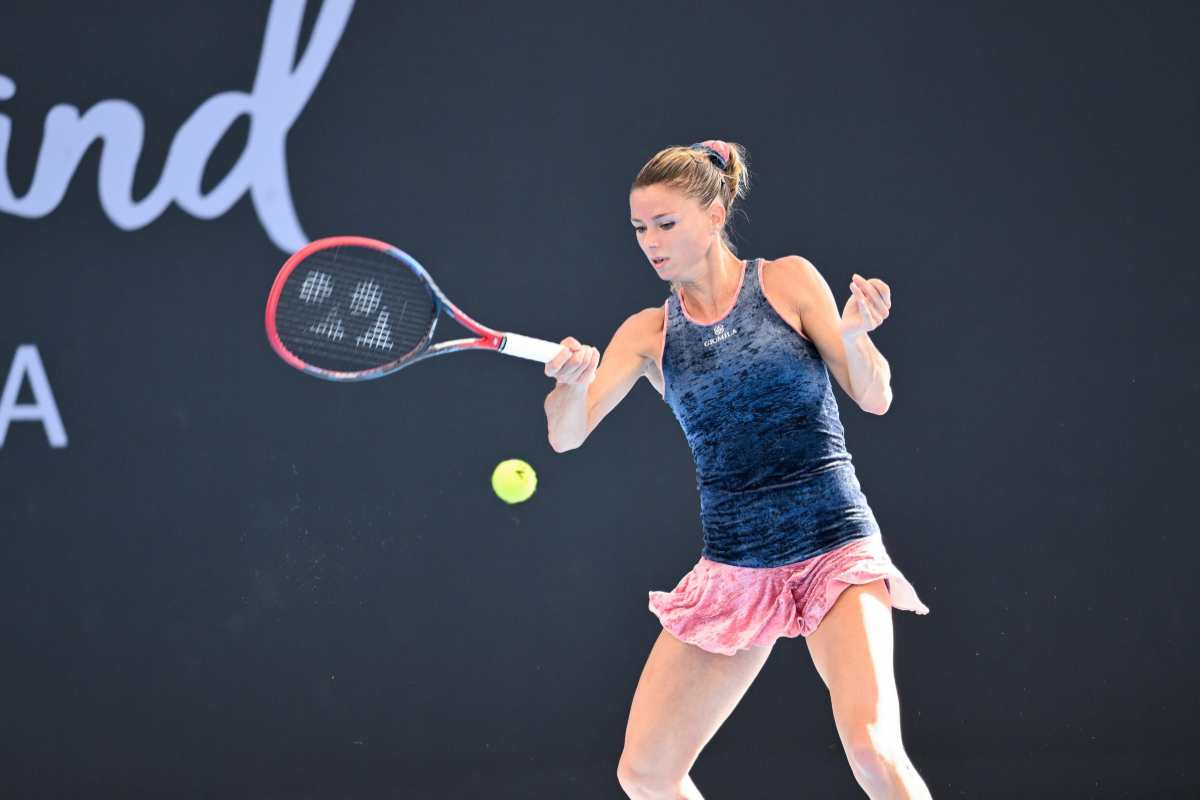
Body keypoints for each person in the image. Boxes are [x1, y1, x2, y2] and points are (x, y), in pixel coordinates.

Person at [542, 139, 933, 800]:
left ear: (717, 214)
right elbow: (566, 436)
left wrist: (859, 336)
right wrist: (571, 387)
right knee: (645, 773)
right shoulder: (646, 333)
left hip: (834, 543)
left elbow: (875, 395)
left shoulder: (787, 282)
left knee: (871, 745)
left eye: (666, 224)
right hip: (735, 563)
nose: (651, 242)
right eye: (640, 228)